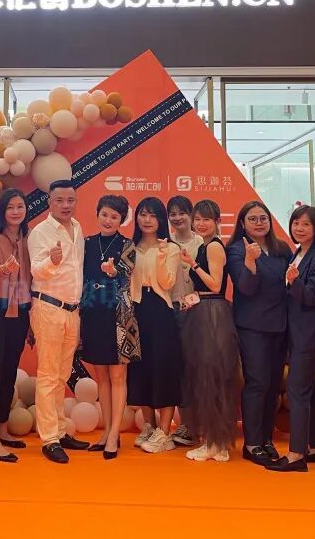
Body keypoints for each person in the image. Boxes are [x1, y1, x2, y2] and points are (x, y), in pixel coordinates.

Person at [27, 179, 90, 464]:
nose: (66, 205)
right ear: (49, 203)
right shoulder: (40, 232)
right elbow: (36, 271)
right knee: (48, 375)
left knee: (62, 375)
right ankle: (49, 439)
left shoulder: (77, 228)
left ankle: (61, 431)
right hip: (48, 307)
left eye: (70, 200)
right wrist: (51, 261)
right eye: (60, 200)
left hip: (72, 310)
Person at [226, 200, 291, 467]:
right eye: (252, 219)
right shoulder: (235, 250)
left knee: (273, 385)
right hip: (252, 326)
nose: (259, 223)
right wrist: (250, 261)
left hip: (281, 325)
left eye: (263, 218)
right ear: (242, 223)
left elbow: (291, 284)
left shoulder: (281, 249)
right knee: (257, 383)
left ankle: (266, 438)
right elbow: (246, 287)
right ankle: (252, 443)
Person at [269, 205, 315, 472]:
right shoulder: (299, 253)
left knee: (297, 391)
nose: (299, 228)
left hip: (308, 333)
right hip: (295, 331)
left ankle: (296, 454)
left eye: (306, 224)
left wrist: (294, 282)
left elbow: (312, 296)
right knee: (311, 389)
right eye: (296, 223)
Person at [78, 194, 138, 460]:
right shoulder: (86, 243)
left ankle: (114, 434)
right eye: (104, 214)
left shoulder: (128, 245)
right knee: (101, 377)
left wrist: (114, 273)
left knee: (118, 377)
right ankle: (105, 431)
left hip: (119, 318)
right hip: (92, 314)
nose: (108, 220)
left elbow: (128, 277)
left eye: (114, 216)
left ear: (121, 219)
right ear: (97, 214)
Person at [181, 199, 240, 462]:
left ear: (217, 221)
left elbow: (215, 285)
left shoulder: (214, 246)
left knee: (211, 377)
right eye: (197, 219)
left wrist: (192, 265)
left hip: (212, 312)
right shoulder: (205, 246)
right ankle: (216, 443)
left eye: (206, 219)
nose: (201, 224)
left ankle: (216, 442)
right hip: (204, 309)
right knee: (208, 377)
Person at [0, 189, 33, 462]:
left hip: (20, 310)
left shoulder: (27, 236)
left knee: (9, 372)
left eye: (20, 206)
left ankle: (1, 429)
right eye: (10, 207)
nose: (15, 211)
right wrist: (5, 269)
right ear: (2, 211)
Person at [125, 197, 183, 454]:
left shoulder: (170, 248)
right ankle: (148, 426)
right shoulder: (130, 247)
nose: (147, 220)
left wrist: (160, 256)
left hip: (160, 310)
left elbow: (167, 282)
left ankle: (165, 432)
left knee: (164, 368)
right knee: (140, 368)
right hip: (136, 309)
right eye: (142, 214)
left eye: (153, 215)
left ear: (161, 219)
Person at [166, 195, 202, 448]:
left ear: (191, 215)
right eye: (172, 214)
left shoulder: (202, 242)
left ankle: (199, 423)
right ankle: (186, 423)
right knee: (178, 369)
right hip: (171, 312)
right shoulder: (165, 244)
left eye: (182, 213)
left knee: (196, 369)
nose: (177, 218)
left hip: (198, 313)